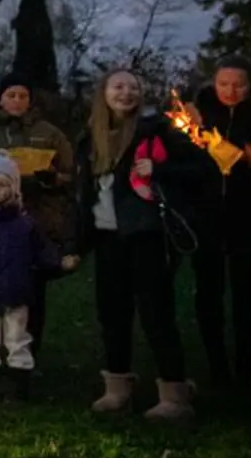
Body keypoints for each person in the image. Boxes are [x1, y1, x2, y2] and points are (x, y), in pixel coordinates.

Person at [77, 70, 210, 421]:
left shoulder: (157, 130)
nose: (126, 93)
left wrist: (160, 169)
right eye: (118, 86)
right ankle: (117, 388)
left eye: (133, 87)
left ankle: (174, 393)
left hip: (147, 236)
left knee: (157, 315)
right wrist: (78, 241)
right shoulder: (91, 138)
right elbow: (86, 194)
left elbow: (203, 168)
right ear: (103, 93)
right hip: (107, 238)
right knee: (112, 315)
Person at [0, 73, 75, 366]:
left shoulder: (49, 133)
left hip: (37, 220)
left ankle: (27, 356)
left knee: (31, 291)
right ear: (0, 98)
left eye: (23, 96)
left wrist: (53, 179)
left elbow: (71, 174)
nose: (17, 101)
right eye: (11, 95)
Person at [0, 151, 78, 400]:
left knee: (18, 338)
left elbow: (40, 251)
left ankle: (20, 386)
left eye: (2, 184)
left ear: (14, 188)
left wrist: (59, 263)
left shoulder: (24, 223)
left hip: (18, 291)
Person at [189, 55, 251, 390]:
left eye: (238, 84)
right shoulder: (198, 114)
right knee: (208, 293)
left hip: (247, 215)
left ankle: (246, 366)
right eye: (223, 83)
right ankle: (216, 366)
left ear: (250, 85)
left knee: (247, 294)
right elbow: (185, 156)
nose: (230, 90)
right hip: (207, 215)